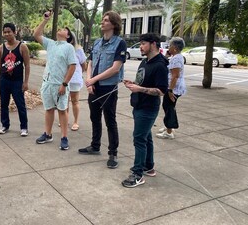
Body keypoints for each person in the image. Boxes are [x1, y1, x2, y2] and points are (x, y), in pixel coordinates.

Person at [78, 11, 127, 169]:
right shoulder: (97, 42)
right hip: (94, 86)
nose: (102, 22)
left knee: (110, 120)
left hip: (108, 87)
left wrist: (94, 79)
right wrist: (89, 80)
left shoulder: (119, 43)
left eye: (106, 20)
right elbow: (91, 62)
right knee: (94, 117)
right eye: (103, 20)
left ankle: (113, 153)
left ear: (114, 24)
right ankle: (95, 145)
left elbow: (115, 68)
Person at [122, 33, 168, 188]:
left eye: (143, 44)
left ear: (153, 44)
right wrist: (133, 84)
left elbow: (161, 91)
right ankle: (148, 166)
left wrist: (139, 88)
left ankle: (138, 174)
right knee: (146, 137)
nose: (140, 47)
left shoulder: (160, 65)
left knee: (139, 139)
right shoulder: (145, 61)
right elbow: (143, 81)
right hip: (139, 104)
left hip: (148, 108)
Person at [33, 11, 76, 150]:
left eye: (64, 29)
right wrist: (45, 20)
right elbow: (36, 35)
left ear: (68, 36)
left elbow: (72, 66)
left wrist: (64, 84)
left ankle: (64, 137)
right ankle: (48, 134)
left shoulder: (69, 47)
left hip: (60, 85)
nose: (61, 29)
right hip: (47, 83)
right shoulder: (50, 44)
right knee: (49, 109)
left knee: (62, 111)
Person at [0, 23, 30, 136]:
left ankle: (24, 127)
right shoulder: (1, 48)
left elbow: (27, 65)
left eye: (9, 31)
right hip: (4, 80)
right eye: (5, 32)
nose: (7, 34)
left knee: (20, 104)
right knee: (4, 104)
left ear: (14, 32)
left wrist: (26, 82)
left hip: (17, 81)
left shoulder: (22, 47)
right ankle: (4, 125)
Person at [156, 37, 186, 139]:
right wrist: (166, 56)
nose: (169, 47)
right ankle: (168, 126)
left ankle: (169, 132)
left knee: (168, 107)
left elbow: (175, 76)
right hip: (174, 87)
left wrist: (170, 90)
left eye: (170, 46)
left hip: (174, 88)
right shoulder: (176, 57)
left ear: (175, 48)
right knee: (168, 107)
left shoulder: (176, 59)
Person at [66, 33, 87, 131]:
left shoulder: (78, 49)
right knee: (64, 101)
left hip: (74, 79)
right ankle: (64, 119)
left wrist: (78, 73)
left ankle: (76, 122)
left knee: (74, 101)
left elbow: (84, 65)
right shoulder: (61, 48)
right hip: (63, 78)